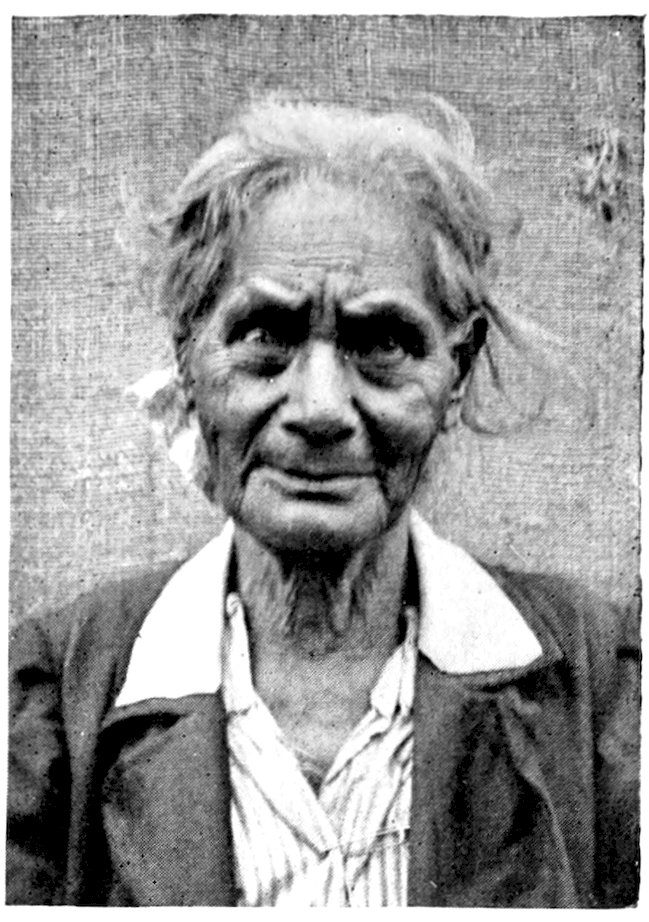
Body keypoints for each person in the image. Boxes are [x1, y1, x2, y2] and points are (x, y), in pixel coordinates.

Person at [7, 97, 639, 907]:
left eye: (382, 343)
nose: (320, 407)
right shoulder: (55, 701)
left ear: (457, 370)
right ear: (188, 355)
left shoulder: (598, 688)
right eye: (265, 335)